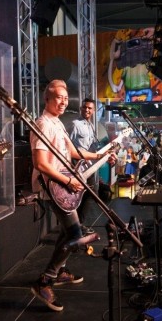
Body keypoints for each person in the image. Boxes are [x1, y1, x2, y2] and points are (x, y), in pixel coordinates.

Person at [30, 79, 114, 312]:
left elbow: (73, 151)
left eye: (66, 99)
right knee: (75, 234)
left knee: (69, 232)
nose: (63, 102)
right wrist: (68, 181)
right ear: (47, 99)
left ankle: (58, 272)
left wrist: (100, 156)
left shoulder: (56, 122)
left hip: (62, 185)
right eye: (59, 98)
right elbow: (40, 164)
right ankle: (44, 281)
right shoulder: (43, 124)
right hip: (53, 186)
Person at [68, 98, 99, 235]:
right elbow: (68, 145)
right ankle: (75, 226)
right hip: (78, 165)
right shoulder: (75, 124)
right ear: (81, 108)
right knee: (79, 196)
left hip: (89, 166)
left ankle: (80, 224)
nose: (87, 110)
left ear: (93, 110)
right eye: (85, 107)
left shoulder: (91, 126)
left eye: (89, 108)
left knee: (90, 193)